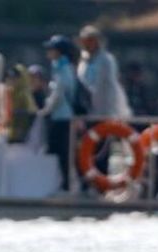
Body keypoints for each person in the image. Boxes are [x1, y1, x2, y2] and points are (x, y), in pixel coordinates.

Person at [38, 34, 79, 192]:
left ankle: (65, 185)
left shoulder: (63, 68)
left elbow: (59, 93)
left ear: (60, 51)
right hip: (59, 116)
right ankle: (61, 183)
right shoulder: (59, 67)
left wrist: (46, 110)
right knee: (58, 150)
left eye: (51, 49)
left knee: (61, 151)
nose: (48, 52)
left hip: (63, 117)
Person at [77, 25, 131, 119]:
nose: (87, 44)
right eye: (84, 41)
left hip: (107, 108)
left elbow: (107, 85)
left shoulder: (106, 60)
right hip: (88, 108)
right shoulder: (83, 61)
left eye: (90, 40)